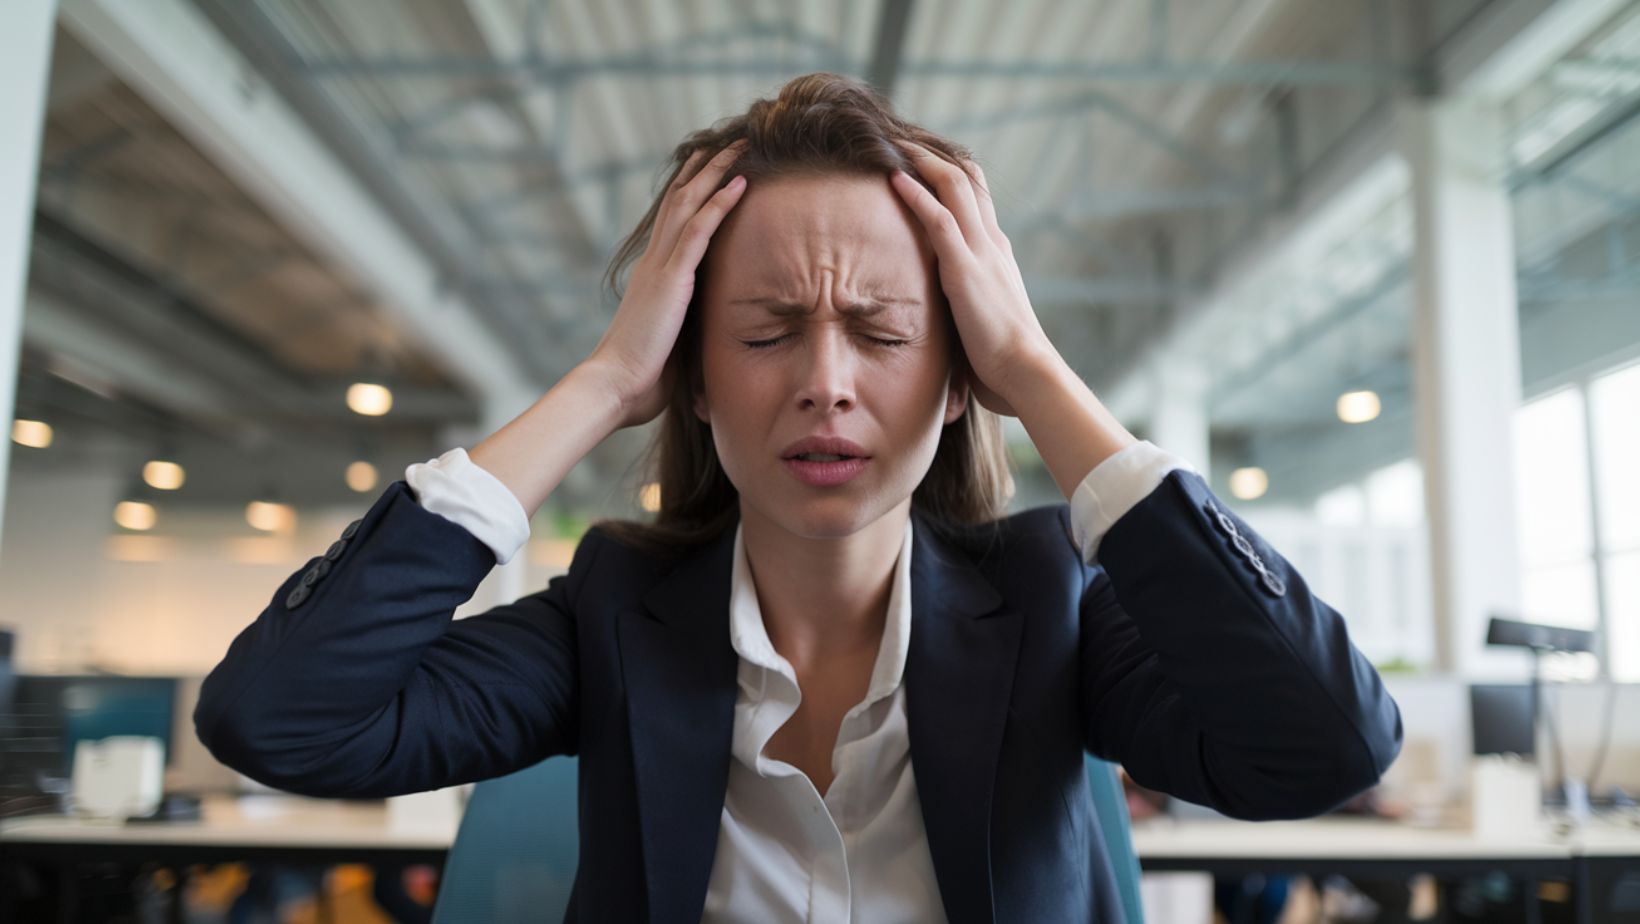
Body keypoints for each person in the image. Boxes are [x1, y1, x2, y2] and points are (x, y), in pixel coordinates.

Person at [194, 73, 1403, 923]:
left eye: (881, 333)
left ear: (951, 382)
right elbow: (276, 717)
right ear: (699, 383)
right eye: (767, 332)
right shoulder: (614, 613)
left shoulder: (1050, 606)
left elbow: (1325, 745)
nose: (825, 386)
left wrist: (1034, 375)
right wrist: (607, 379)